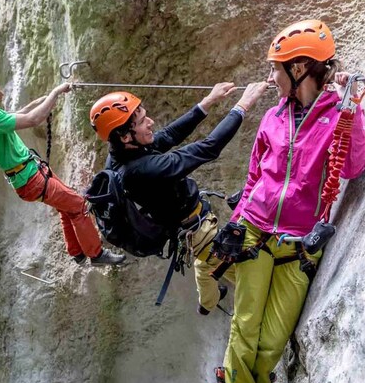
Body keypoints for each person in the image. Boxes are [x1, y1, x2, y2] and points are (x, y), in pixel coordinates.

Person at [220, 19, 365, 383]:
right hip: (255, 230)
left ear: (300, 68)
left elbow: (354, 167)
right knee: (246, 322)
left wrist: (351, 113)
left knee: (275, 334)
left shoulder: (335, 115)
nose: (271, 77)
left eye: (277, 68)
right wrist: (234, 225)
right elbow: (254, 178)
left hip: (300, 243)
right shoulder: (271, 117)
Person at [90, 82, 269, 312]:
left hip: (187, 226)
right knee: (249, 278)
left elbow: (168, 136)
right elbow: (207, 148)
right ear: (125, 136)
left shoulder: (121, 153)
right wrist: (242, 106)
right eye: (143, 120)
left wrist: (208, 102)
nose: (150, 122)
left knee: (205, 265)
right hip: (199, 232)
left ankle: (207, 304)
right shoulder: (141, 170)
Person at [0, 67, 125, 266]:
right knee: (78, 204)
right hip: (30, 179)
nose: (1, 94)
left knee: (67, 207)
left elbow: (16, 116)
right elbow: (32, 120)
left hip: (31, 172)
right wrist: (55, 93)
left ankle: (78, 253)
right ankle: (96, 255)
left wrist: (41, 101)